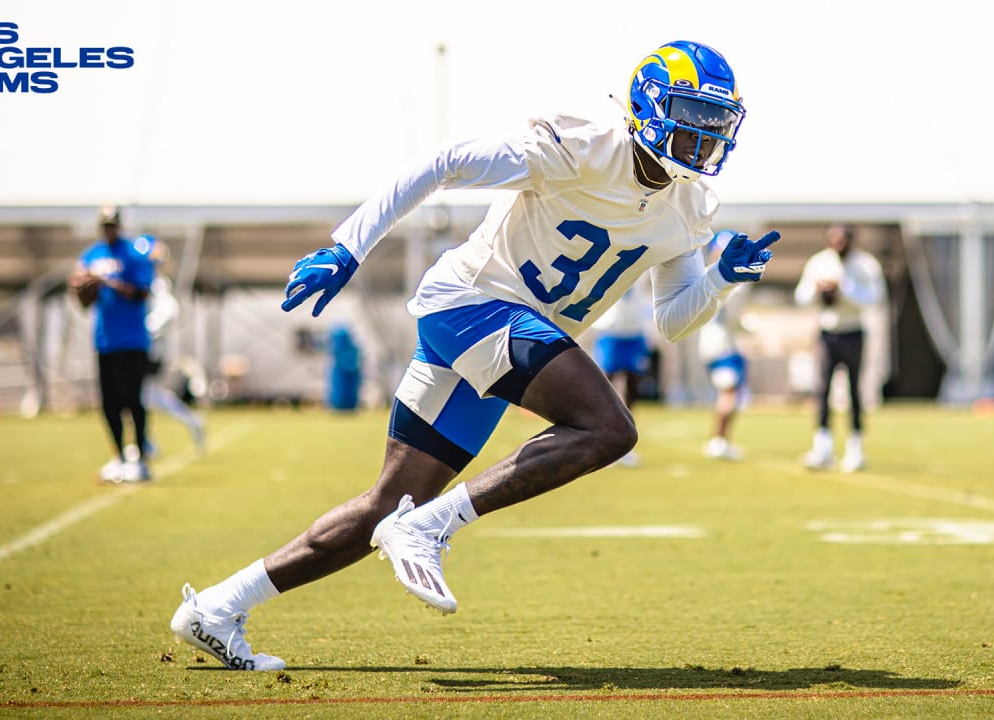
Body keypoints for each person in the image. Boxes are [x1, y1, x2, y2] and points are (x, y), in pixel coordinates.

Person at [170, 40, 779, 671]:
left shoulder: (690, 205)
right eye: (693, 115)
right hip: (473, 302)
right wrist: (347, 249)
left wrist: (719, 279)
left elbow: (674, 320)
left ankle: (215, 608)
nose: (706, 136)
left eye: (716, 122)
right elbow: (444, 163)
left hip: (507, 332)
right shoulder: (582, 144)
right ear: (652, 105)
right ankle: (431, 526)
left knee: (388, 503)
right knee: (608, 428)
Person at [69, 204, 154, 483]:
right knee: (109, 403)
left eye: (112, 224)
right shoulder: (91, 255)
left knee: (133, 400)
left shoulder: (134, 254)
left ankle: (140, 458)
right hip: (105, 341)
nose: (108, 229)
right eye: (104, 225)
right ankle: (118, 456)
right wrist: (82, 287)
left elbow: (142, 292)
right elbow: (83, 302)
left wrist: (105, 281)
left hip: (132, 340)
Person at [794, 223, 884, 472]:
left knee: (855, 391)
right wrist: (819, 289)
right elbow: (800, 296)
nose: (838, 245)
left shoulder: (866, 264)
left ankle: (855, 448)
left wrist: (844, 289)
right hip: (827, 333)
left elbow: (875, 298)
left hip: (853, 332)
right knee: (822, 390)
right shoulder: (819, 262)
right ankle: (822, 447)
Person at [125, 235, 206, 461]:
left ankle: (146, 443)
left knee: (134, 396)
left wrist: (144, 331)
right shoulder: (148, 283)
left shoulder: (156, 286)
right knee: (144, 396)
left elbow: (168, 311)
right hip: (144, 348)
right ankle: (184, 425)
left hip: (149, 351)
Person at [590, 279, 654, 467]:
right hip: (611, 329)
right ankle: (599, 438)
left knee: (633, 387)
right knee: (602, 385)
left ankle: (622, 441)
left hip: (635, 330)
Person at [698, 234, 751, 461]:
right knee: (728, 392)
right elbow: (732, 317)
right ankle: (719, 440)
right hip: (722, 343)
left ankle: (720, 440)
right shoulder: (730, 280)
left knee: (728, 391)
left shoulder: (705, 275)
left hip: (710, 342)